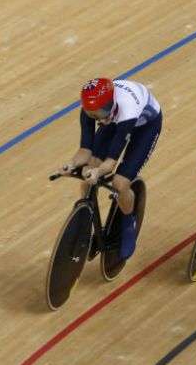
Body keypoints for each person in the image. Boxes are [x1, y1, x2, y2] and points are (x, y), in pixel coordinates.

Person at [59, 78, 162, 259]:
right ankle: (86, 220)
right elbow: (84, 150)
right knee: (87, 173)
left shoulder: (127, 107)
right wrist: (72, 164)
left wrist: (98, 172)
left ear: (113, 100)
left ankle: (128, 223)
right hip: (116, 122)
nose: (100, 117)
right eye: (95, 115)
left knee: (120, 183)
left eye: (103, 111)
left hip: (145, 127)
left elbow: (110, 164)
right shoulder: (92, 112)